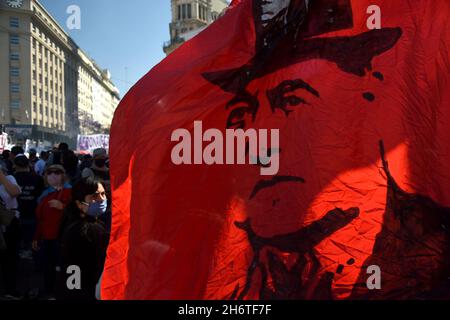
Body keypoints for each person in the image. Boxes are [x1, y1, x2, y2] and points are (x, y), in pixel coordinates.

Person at [57, 177, 109, 300]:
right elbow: (73, 267)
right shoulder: (84, 229)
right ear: (79, 203)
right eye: (94, 196)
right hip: (83, 291)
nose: (101, 199)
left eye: (103, 194)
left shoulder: (78, 222)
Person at [32, 165, 71, 298]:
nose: (53, 175)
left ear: (63, 175)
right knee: (48, 268)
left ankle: (65, 293)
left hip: (62, 239)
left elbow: (82, 213)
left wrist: (63, 207)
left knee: (62, 269)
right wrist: (36, 237)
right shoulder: (45, 194)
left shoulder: (70, 192)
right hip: (47, 238)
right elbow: (40, 219)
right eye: (49, 172)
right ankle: (49, 292)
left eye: (57, 172)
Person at [13, 154, 44, 259]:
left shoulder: (12, 178)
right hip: (33, 211)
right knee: (31, 236)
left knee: (17, 237)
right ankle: (30, 252)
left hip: (17, 212)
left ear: (15, 165)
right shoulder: (38, 178)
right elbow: (40, 196)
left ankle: (19, 252)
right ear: (28, 164)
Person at [0, 162, 22, 299]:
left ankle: (10, 289)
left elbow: (15, 192)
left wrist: (1, 176)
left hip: (10, 222)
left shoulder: (10, 179)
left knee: (10, 257)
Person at [81, 148, 111, 231]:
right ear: (94, 158)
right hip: (92, 207)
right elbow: (88, 186)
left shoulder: (110, 171)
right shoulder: (88, 171)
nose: (101, 159)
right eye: (98, 157)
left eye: (102, 158)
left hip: (108, 207)